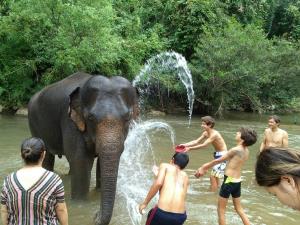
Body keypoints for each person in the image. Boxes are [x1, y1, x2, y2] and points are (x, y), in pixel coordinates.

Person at [195, 127, 257, 225]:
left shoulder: (236, 150)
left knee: (221, 210)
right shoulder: (246, 151)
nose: (237, 133)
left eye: (239, 133)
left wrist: (203, 167)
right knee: (239, 209)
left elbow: (218, 160)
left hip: (229, 180)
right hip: (237, 181)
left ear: (243, 138)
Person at [0, 137, 68, 225]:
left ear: (21, 155)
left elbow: (4, 211)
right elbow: (61, 209)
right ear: (43, 154)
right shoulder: (54, 179)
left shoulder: (8, 180)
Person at [139, 152, 189, 225]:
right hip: (180, 216)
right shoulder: (185, 176)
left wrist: (144, 203)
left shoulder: (165, 166)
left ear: (172, 160)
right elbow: (182, 196)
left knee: (154, 214)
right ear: (184, 166)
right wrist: (158, 175)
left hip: (162, 214)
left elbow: (158, 183)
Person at [179, 115, 227, 191]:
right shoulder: (206, 133)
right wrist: (184, 145)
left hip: (223, 155)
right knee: (216, 176)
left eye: (204, 124)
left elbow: (204, 145)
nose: (202, 126)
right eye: (202, 124)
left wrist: (190, 149)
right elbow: (196, 141)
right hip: (218, 155)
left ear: (210, 125)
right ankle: (218, 192)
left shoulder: (214, 134)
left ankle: (212, 194)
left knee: (213, 176)